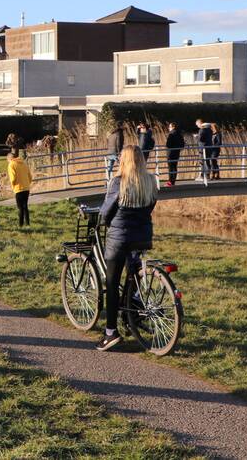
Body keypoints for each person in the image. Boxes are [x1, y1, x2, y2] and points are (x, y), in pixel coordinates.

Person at [96, 145, 157, 351]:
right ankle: (132, 317)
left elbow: (106, 212)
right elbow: (150, 206)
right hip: (143, 236)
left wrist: (105, 222)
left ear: (124, 160)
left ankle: (110, 332)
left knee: (112, 283)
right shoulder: (150, 181)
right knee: (134, 277)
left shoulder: (118, 182)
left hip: (120, 238)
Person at [7, 150, 32, 227]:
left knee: (20, 207)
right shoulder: (24, 163)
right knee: (25, 206)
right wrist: (27, 184)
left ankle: (20, 225)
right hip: (26, 188)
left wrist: (12, 186)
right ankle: (27, 224)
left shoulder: (11, 164)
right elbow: (30, 176)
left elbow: (13, 178)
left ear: (9, 158)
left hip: (18, 188)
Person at [164, 122, 184, 187]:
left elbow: (168, 144)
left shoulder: (171, 134)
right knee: (174, 167)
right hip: (177, 153)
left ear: (173, 127)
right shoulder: (180, 134)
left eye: (169, 127)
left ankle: (170, 181)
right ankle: (173, 181)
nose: (168, 128)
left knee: (170, 167)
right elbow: (182, 144)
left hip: (170, 153)